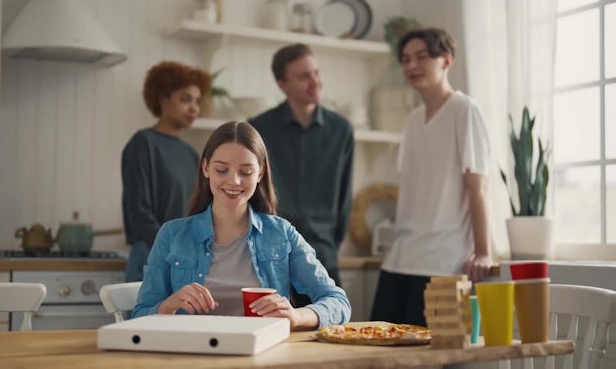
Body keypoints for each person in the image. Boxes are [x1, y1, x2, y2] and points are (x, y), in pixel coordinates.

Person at [132, 121, 351, 330]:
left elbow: (338, 301)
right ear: (206, 168)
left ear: (260, 173)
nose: (234, 181)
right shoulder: (171, 235)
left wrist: (297, 316)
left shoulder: (281, 233)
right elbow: (140, 315)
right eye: (221, 170)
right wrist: (169, 305)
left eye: (245, 172)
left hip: (261, 354)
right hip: (191, 355)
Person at [371, 28, 493, 327]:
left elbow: (478, 187)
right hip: (400, 257)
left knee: (431, 358)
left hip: (443, 262)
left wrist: (483, 252)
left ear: (447, 61)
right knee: (374, 352)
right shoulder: (412, 120)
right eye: (406, 59)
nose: (412, 66)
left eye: (422, 57)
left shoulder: (465, 110)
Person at [248, 43, 353, 307]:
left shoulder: (342, 130)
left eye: (316, 73)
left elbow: (344, 197)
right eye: (303, 76)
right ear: (282, 84)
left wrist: (331, 241)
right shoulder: (258, 129)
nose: (315, 82)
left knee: (331, 338)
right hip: (271, 256)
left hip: (323, 256)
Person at [122, 61, 211, 282]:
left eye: (197, 101)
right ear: (162, 98)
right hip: (151, 256)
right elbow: (139, 213)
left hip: (186, 259)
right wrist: (174, 250)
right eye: (185, 99)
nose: (194, 108)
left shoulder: (190, 154)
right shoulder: (143, 143)